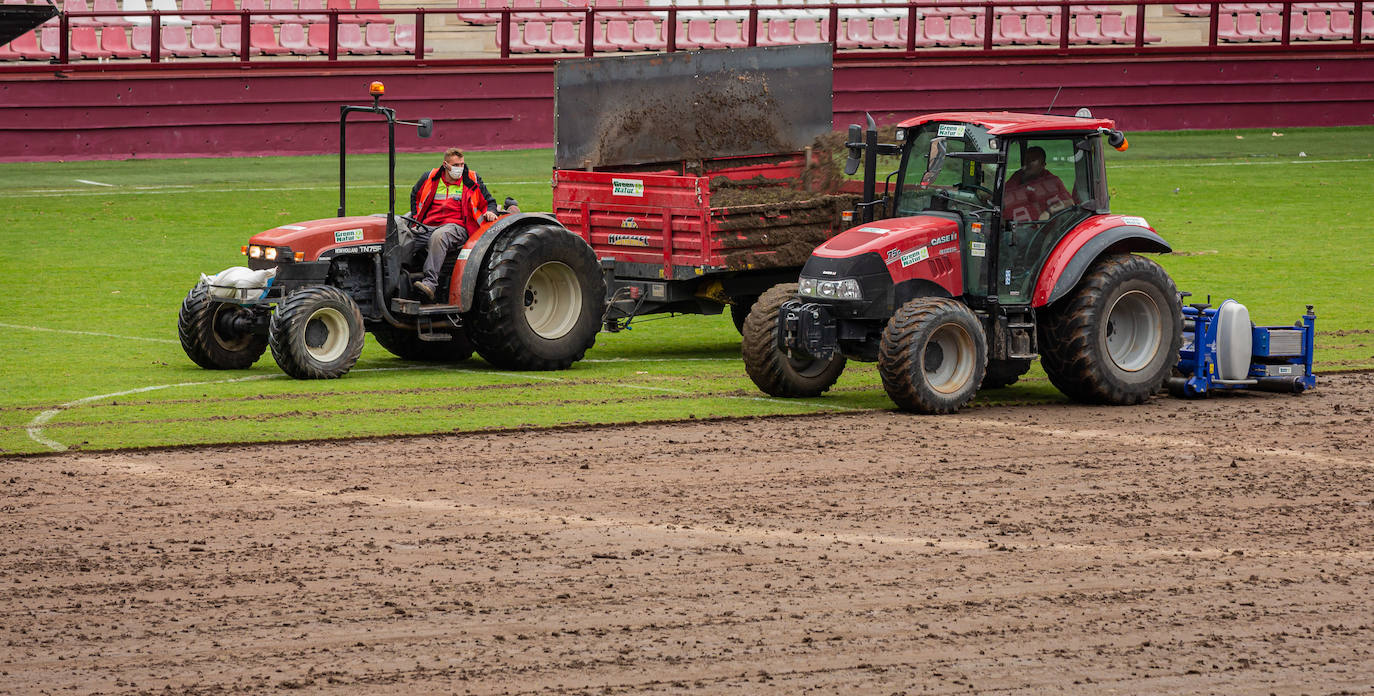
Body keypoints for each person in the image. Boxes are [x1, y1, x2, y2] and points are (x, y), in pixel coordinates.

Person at [407, 147, 499, 302]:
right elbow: (415, 195)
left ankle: (430, 284)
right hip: (427, 226)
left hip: (457, 227)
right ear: (445, 165)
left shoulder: (472, 179)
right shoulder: (429, 177)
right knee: (404, 238)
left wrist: (491, 211)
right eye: (456, 165)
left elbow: (490, 201)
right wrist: (416, 219)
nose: (460, 169)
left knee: (439, 236)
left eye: (462, 164)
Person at [1002, 146, 1072, 223]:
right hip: (1013, 225)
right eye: (1026, 159)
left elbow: (1069, 202)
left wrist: (1049, 211)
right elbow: (1004, 195)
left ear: (1043, 164)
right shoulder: (1018, 175)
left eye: (1032, 160)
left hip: (1039, 229)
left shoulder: (1051, 181)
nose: (1028, 163)